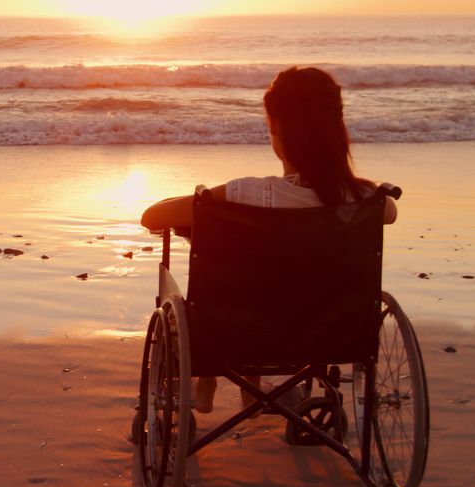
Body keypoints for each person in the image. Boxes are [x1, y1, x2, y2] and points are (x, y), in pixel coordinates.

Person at [140, 66, 398, 414]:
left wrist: (200, 205)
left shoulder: (247, 194)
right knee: (280, 278)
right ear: (336, 132)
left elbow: (152, 216)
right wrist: (348, 185)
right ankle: (254, 390)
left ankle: (211, 380)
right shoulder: (366, 198)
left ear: (277, 131)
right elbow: (390, 212)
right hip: (331, 331)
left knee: (246, 270)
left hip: (238, 330)